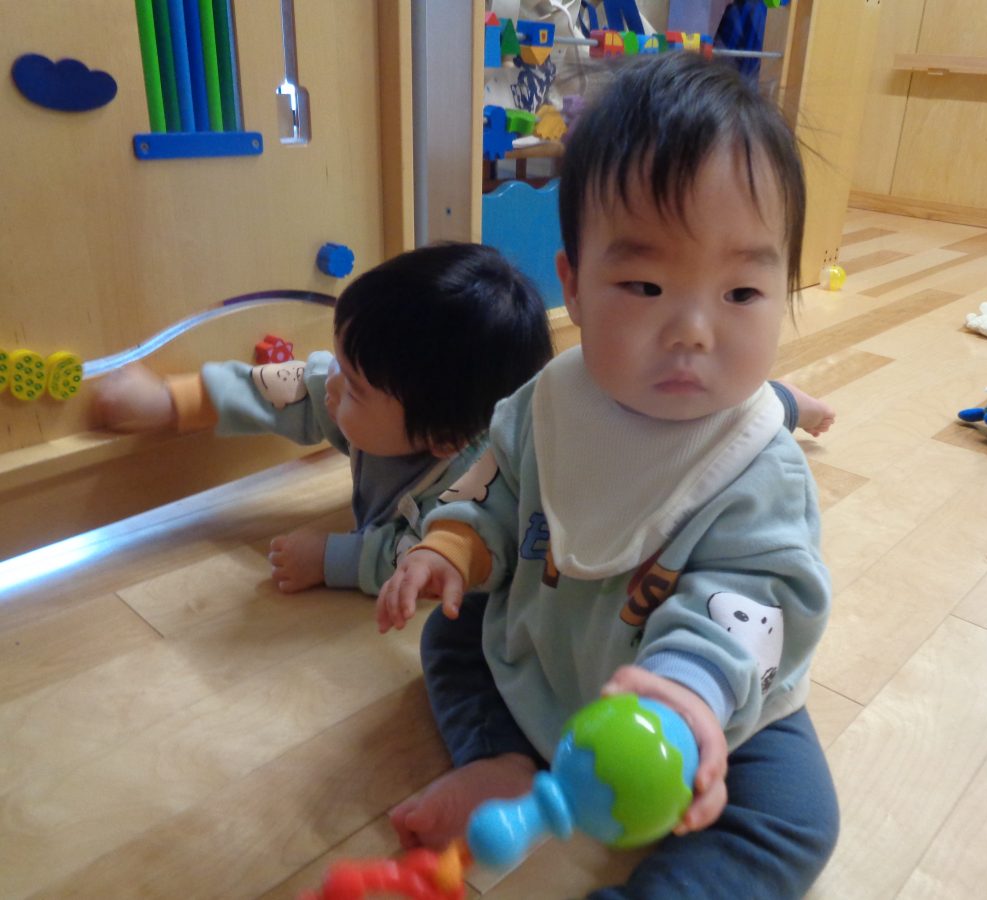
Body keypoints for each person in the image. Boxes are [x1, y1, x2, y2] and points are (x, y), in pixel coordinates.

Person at [376, 53, 839, 899]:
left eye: (741, 292)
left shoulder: (756, 464)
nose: (693, 329)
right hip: (551, 650)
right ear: (575, 288)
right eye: (646, 284)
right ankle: (501, 758)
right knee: (451, 633)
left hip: (694, 709)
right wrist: (452, 548)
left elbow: (755, 602)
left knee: (795, 814)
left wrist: (684, 699)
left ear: (784, 288)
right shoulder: (547, 403)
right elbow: (491, 488)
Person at [91, 243, 555, 596]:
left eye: (353, 386)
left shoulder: (471, 491)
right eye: (339, 361)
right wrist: (171, 401)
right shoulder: (377, 403)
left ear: (442, 439)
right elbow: (282, 391)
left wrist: (333, 559)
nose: (330, 381)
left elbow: (416, 560)